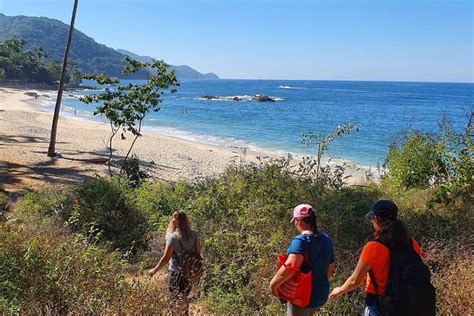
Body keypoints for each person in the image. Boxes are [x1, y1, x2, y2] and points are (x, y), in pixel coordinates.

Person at [329, 200, 424, 315]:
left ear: (376, 219)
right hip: (407, 302)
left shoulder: (374, 247)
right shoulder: (412, 243)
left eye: (371, 219)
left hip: (379, 304)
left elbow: (355, 280)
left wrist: (339, 290)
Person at [270, 204, 336, 316]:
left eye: (295, 221)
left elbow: (290, 268)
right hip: (320, 296)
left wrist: (273, 285)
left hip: (303, 298)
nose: (295, 224)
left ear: (299, 220)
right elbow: (330, 269)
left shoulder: (300, 241)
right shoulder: (325, 239)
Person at [148, 211, 201, 315]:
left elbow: (166, 258)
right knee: (185, 299)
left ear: (174, 222)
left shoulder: (172, 237)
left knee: (173, 301)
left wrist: (154, 270)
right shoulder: (194, 235)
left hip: (175, 273)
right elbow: (197, 253)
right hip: (189, 273)